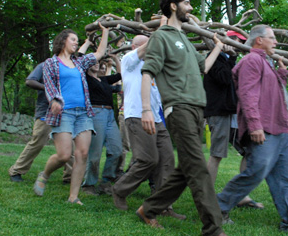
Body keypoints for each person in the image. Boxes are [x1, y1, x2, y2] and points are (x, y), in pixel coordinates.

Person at [136, 0, 242, 236]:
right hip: (179, 108)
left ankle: (148, 209)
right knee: (198, 169)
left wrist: (217, 48)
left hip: (197, 110)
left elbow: (204, 67)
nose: (191, 8)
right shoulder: (161, 37)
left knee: (185, 169)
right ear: (173, 6)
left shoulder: (182, 39)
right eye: (187, 3)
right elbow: (148, 72)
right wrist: (147, 109)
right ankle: (213, 230)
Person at [216, 25, 288, 236]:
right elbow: (248, 94)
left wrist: (281, 74)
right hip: (264, 129)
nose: (276, 42)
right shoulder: (251, 61)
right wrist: (255, 125)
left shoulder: (266, 63)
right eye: (272, 38)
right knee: (255, 172)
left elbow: (271, 93)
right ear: (258, 41)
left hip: (280, 129)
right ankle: (217, 208)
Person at [33, 24, 110, 205]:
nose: (76, 43)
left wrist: (105, 32)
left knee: (82, 154)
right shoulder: (50, 63)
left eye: (77, 40)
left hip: (83, 113)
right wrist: (54, 101)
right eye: (73, 40)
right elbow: (50, 87)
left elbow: (99, 54)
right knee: (64, 155)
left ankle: (73, 197)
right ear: (63, 41)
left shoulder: (79, 62)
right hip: (64, 113)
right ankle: (44, 174)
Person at [111, 34, 184, 221]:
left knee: (167, 160)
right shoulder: (128, 61)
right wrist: (163, 30)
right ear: (135, 47)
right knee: (147, 159)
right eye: (148, 45)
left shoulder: (155, 67)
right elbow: (146, 48)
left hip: (157, 118)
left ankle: (163, 205)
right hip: (136, 115)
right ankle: (119, 190)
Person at [204, 30, 263, 209]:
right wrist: (230, 57)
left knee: (247, 151)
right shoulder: (213, 57)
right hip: (219, 112)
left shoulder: (233, 60)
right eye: (238, 40)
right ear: (228, 40)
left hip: (233, 112)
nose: (240, 44)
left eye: (243, 41)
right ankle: (207, 198)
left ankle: (241, 196)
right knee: (217, 154)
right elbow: (224, 78)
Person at [8, 63, 71, 183]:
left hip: (66, 113)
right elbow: (30, 81)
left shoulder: (70, 67)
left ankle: (69, 176)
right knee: (38, 142)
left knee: (70, 145)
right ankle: (16, 171)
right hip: (45, 112)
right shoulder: (45, 65)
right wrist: (48, 88)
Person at [81, 49, 123, 196]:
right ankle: (89, 185)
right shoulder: (86, 79)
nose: (98, 64)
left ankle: (106, 180)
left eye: (99, 62)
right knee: (95, 153)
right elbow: (80, 59)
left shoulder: (104, 79)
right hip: (96, 113)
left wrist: (116, 59)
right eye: (95, 62)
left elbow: (120, 75)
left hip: (110, 114)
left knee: (117, 150)